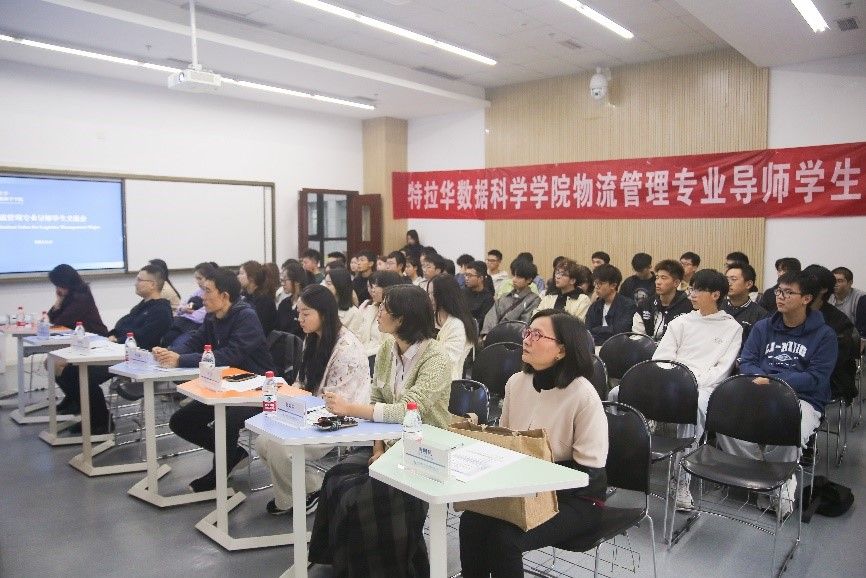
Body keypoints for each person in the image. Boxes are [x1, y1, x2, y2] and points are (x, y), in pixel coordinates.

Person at [309, 284, 452, 577]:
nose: (378, 312)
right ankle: (340, 563)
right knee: (336, 478)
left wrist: (350, 408)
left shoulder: (436, 358)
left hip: (422, 450)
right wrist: (378, 448)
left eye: (385, 308)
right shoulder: (388, 346)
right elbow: (377, 398)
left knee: (361, 497)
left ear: (403, 318)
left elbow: (409, 410)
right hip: (387, 443)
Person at [459, 310, 608, 578]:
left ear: (562, 350)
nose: (526, 339)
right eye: (527, 332)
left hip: (576, 498)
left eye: (537, 335)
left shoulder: (583, 395)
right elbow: (505, 440)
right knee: (471, 521)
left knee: (505, 538)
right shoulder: (517, 383)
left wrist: (534, 478)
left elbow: (589, 472)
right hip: (523, 487)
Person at [717, 271, 837, 517]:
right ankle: (764, 478)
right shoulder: (763, 327)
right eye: (779, 291)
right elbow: (747, 361)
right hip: (759, 391)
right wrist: (764, 381)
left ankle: (775, 486)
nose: (780, 297)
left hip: (802, 398)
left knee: (788, 427)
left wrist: (774, 381)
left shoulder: (824, 335)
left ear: (806, 299)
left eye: (788, 292)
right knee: (722, 417)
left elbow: (816, 378)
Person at [156, 267, 275, 492]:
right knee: (181, 421)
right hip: (226, 387)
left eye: (207, 291)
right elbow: (195, 340)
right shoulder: (213, 316)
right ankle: (234, 454)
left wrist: (181, 359)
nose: (202, 296)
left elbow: (229, 355)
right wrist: (170, 353)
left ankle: (218, 475)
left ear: (224, 295)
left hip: (258, 388)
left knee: (227, 421)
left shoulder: (246, 316)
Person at [257, 285, 371, 515]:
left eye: (306, 313)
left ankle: (292, 501)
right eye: (298, 312)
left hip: (341, 417)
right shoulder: (313, 338)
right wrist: (289, 397)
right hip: (312, 410)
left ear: (324, 314)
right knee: (263, 441)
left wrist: (297, 405)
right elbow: (303, 382)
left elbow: (338, 403)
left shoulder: (346, 348)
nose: (299, 319)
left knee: (280, 447)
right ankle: (312, 488)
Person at [650, 269, 741, 511]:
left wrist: (691, 383)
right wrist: (675, 380)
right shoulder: (681, 322)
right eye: (691, 288)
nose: (692, 294)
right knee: (618, 394)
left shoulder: (732, 328)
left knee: (696, 405)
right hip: (671, 380)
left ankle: (680, 479)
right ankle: (620, 465)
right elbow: (662, 357)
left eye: (698, 290)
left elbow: (722, 369)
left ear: (715, 295)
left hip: (705, 386)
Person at [55, 265, 172, 431]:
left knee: (77, 374)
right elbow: (123, 326)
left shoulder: (161, 311)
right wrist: (112, 336)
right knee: (67, 369)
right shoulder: (142, 306)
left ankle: (101, 422)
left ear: (152, 284)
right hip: (117, 351)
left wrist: (117, 339)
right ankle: (91, 415)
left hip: (136, 359)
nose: (135, 283)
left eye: (140, 280)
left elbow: (144, 338)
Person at [803, 265, 859, 404]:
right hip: (794, 373)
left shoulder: (839, 321)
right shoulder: (793, 313)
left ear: (824, 289)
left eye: (809, 281)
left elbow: (833, 360)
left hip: (830, 379)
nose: (803, 285)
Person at [429, 274, 478, 380]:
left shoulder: (457, 325)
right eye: (428, 293)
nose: (429, 298)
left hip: (448, 380)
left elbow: (446, 361)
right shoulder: (431, 317)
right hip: (429, 373)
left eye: (432, 294)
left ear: (444, 295)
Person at [357, 271, 405, 373]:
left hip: (379, 358)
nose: (373, 290)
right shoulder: (370, 307)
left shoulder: (395, 313)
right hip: (364, 354)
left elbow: (390, 345)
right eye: (372, 286)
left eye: (377, 286)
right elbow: (359, 334)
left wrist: (363, 354)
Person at [632, 259, 692, 340]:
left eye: (663, 278)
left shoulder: (688, 306)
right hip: (648, 347)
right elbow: (637, 336)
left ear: (676, 283)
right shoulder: (645, 305)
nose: (658, 282)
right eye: (657, 277)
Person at [161, 261, 218, 347]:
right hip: (183, 323)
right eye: (196, 279)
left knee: (179, 344)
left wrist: (185, 312)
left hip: (196, 327)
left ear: (209, 278)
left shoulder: (215, 293)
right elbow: (180, 306)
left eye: (200, 278)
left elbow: (200, 317)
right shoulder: (198, 291)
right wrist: (183, 309)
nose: (197, 282)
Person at [481, 258, 542, 336]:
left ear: (529, 280)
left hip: (514, 338)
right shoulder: (504, 297)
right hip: (494, 337)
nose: (514, 280)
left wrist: (500, 331)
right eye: (513, 275)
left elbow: (524, 324)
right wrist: (488, 334)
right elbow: (491, 317)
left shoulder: (534, 300)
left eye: (518, 277)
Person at [47, 264, 108, 336]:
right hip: (78, 337)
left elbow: (61, 323)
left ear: (65, 283)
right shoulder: (68, 295)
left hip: (96, 337)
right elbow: (51, 319)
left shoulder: (82, 297)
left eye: (58, 286)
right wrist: (58, 302)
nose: (57, 289)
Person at [585, 264, 637, 346]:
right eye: (595, 283)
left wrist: (597, 329)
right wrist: (608, 330)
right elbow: (588, 331)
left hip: (620, 347)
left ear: (613, 285)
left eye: (600, 283)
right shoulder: (595, 306)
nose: (596, 287)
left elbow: (621, 332)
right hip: (596, 346)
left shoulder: (628, 305)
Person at [723, 262, 767, 347]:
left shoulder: (760, 315)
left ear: (748, 284)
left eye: (733, 279)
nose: (728, 283)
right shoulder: (717, 307)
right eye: (727, 279)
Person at [830, 266, 866, 352]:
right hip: (832, 337)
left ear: (850, 283)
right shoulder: (827, 296)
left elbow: (862, 329)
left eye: (840, 281)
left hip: (854, 339)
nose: (835, 284)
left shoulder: (861, 298)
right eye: (833, 280)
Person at [238, 260, 278, 335]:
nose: (238, 276)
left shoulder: (264, 300)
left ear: (251, 277)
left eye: (241, 273)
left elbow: (260, 328)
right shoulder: (244, 296)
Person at [277, 261, 314, 339]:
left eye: (285, 280)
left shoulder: (308, 304)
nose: (282, 284)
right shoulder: (284, 303)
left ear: (297, 281)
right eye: (281, 280)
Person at [324, 266, 362, 338]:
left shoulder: (354, 313)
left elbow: (353, 340)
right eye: (325, 283)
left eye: (329, 284)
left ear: (340, 284)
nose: (325, 287)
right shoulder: (324, 307)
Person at [463, 260, 495, 332]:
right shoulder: (462, 293)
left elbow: (483, 322)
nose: (466, 278)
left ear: (480, 278)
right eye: (465, 275)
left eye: (470, 275)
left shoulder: (488, 298)